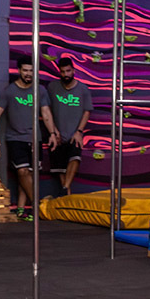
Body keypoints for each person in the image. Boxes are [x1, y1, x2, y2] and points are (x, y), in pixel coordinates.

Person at [0, 55, 59, 221]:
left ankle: (21, 209)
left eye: (31, 70)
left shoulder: (40, 90)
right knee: (22, 171)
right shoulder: (10, 91)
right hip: (15, 138)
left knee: (29, 174)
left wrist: (52, 133)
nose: (28, 73)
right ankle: (38, 205)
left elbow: (46, 113)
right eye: (25, 70)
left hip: (35, 138)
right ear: (19, 71)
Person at [46, 56, 93, 196]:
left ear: (73, 71)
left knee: (75, 157)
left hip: (74, 133)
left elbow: (87, 111)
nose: (65, 74)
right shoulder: (52, 87)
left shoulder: (83, 89)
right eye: (62, 72)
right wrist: (53, 130)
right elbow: (46, 110)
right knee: (59, 167)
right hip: (57, 133)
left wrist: (79, 131)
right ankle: (66, 192)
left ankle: (65, 187)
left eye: (68, 71)